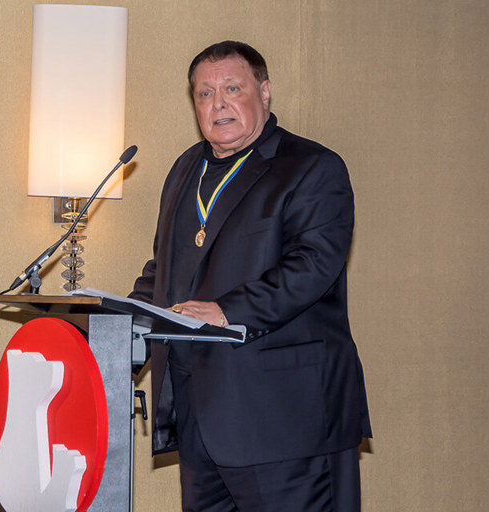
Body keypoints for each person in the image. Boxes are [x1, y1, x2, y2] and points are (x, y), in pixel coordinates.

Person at [130, 40, 371, 512]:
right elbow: (165, 268)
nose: (217, 103)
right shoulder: (185, 169)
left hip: (285, 420)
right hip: (202, 419)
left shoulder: (311, 167)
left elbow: (313, 265)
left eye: (232, 89)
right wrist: (123, 326)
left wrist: (227, 311)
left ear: (264, 92)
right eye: (204, 93)